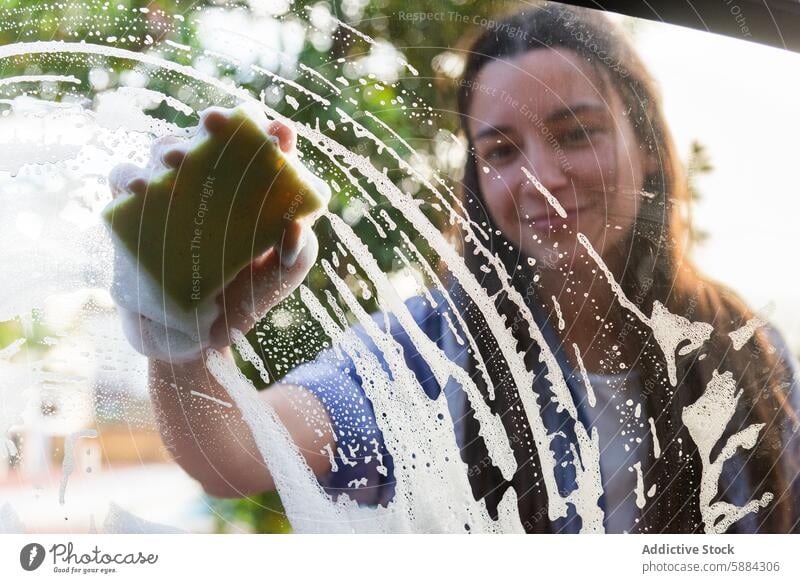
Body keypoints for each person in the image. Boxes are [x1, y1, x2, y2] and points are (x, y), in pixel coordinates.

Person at [110, 4, 800, 533]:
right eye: (500, 150)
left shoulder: (752, 350)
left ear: (645, 140)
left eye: (577, 132)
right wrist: (178, 337)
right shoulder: (424, 355)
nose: (540, 178)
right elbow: (236, 452)